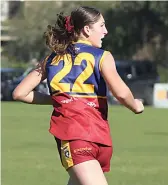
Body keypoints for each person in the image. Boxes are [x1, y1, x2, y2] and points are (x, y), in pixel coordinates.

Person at [13, 6, 144, 185]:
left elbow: (20, 93)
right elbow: (121, 93)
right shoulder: (102, 56)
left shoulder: (52, 58)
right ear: (87, 29)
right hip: (82, 138)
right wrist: (135, 105)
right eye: (102, 26)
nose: (106, 31)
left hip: (86, 135)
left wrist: (60, 100)